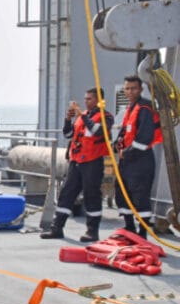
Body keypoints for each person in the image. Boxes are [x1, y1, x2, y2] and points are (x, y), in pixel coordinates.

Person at [41, 88, 114, 241]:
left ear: (98, 100)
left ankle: (92, 232)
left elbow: (97, 131)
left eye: (89, 99)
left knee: (91, 196)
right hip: (76, 162)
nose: (86, 102)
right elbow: (68, 134)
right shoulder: (82, 117)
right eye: (85, 99)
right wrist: (68, 120)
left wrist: (81, 115)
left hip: (93, 163)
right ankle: (56, 228)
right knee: (66, 194)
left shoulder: (106, 117)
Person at [113, 75, 162, 238]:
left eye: (133, 88)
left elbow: (143, 139)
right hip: (127, 161)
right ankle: (129, 228)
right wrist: (117, 145)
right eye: (127, 88)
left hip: (141, 162)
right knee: (122, 193)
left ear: (140, 89)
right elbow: (124, 133)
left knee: (140, 196)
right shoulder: (130, 109)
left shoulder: (145, 109)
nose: (130, 91)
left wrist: (124, 152)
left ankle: (142, 233)